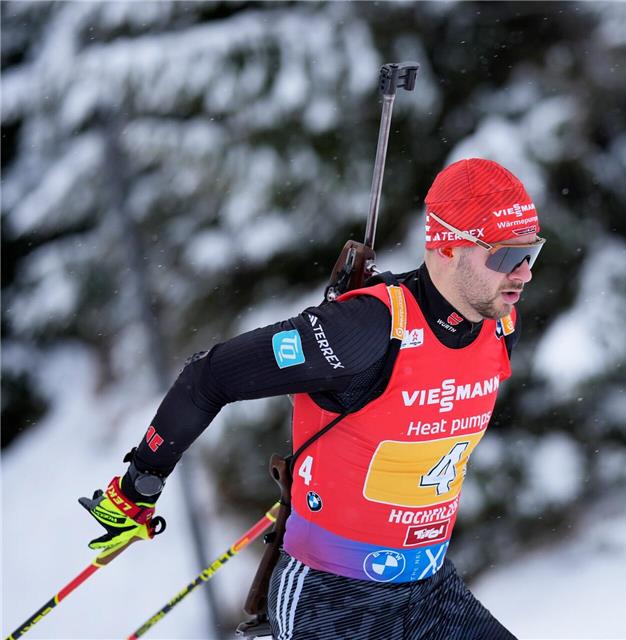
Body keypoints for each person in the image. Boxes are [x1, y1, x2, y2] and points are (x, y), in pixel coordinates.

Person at [80, 158, 545, 639]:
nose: (525, 274)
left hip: (427, 591)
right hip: (332, 597)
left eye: (532, 254)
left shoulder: (500, 324)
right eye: (507, 257)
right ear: (448, 245)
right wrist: (140, 486)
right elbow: (210, 375)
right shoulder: (365, 330)